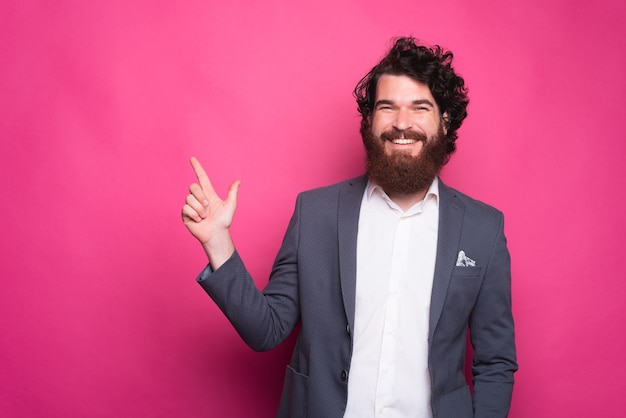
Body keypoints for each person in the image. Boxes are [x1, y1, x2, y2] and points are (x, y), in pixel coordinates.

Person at [182, 37, 517, 418]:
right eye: (387, 107)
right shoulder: (316, 213)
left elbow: (495, 363)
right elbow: (267, 329)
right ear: (370, 120)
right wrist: (218, 242)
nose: (401, 123)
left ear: (444, 120)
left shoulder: (482, 229)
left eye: (419, 108)